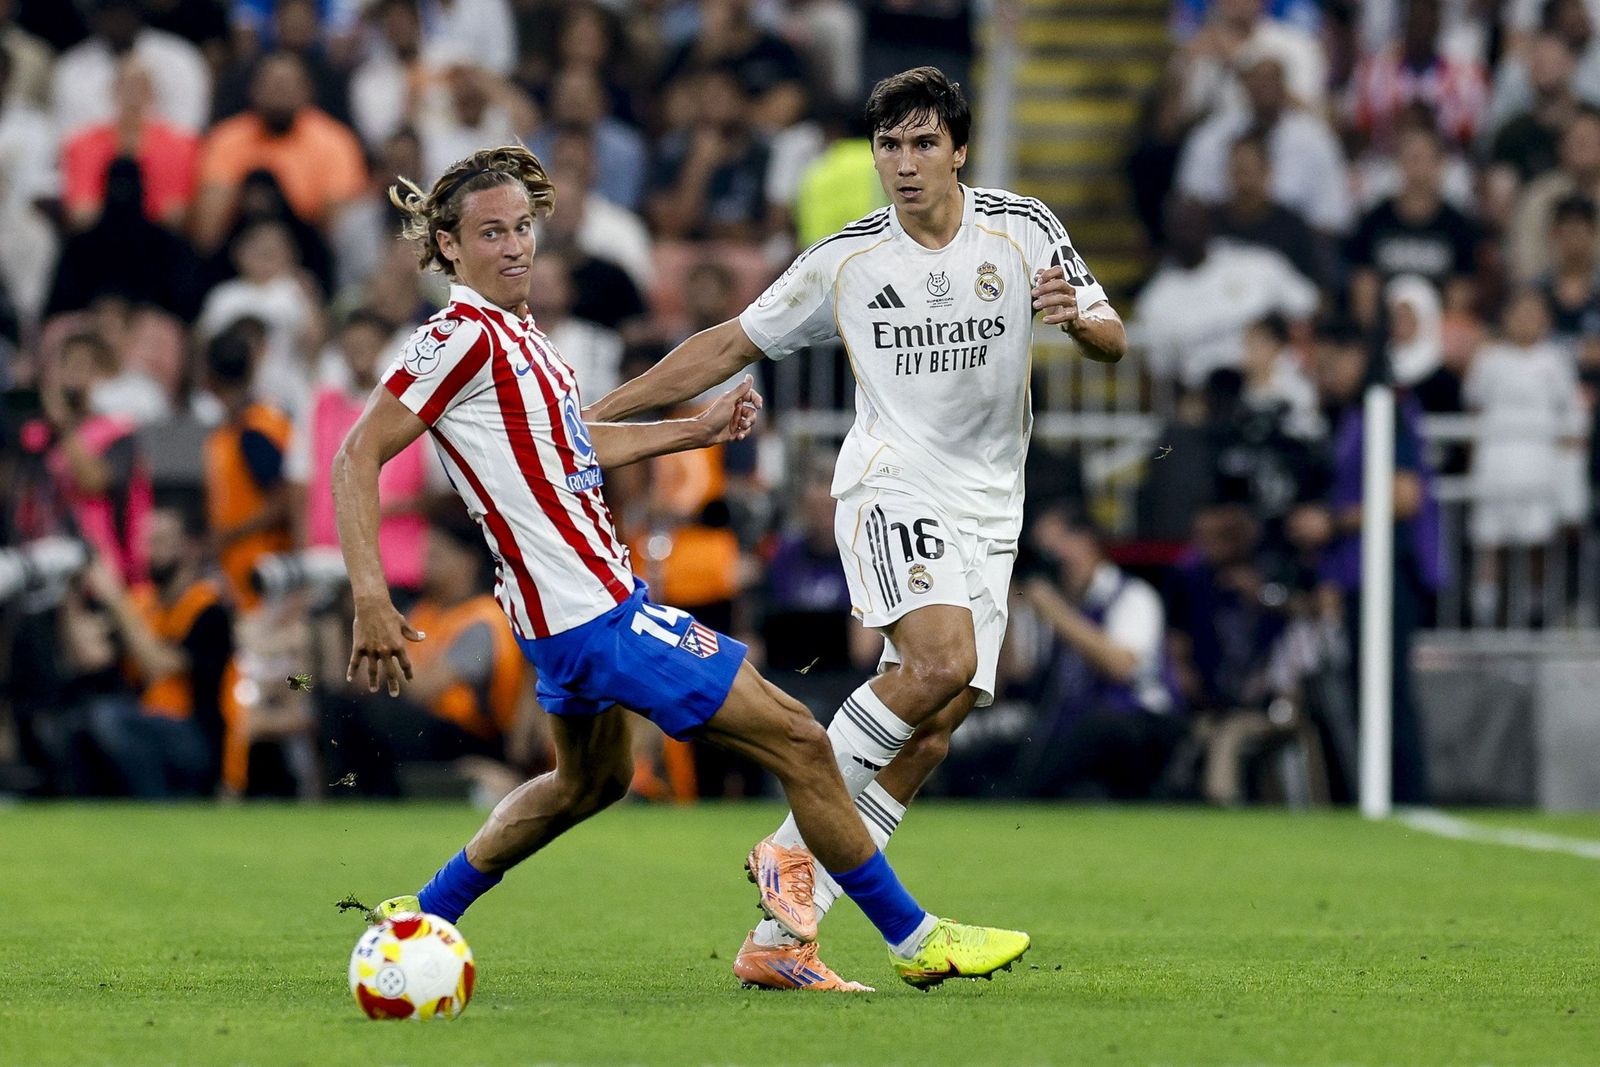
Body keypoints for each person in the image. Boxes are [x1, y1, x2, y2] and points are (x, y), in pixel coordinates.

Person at [332, 144, 1029, 991]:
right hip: (596, 618)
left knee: (587, 782)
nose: (516, 246)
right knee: (803, 740)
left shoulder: (519, 338)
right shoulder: (457, 338)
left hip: (569, 619)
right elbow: (356, 453)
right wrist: (371, 594)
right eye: (490, 233)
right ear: (447, 245)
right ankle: (911, 936)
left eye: (523, 227)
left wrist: (691, 430)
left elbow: (571, 446)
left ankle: (426, 912)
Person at [586, 67, 1108, 989]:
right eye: (888, 146)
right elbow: (726, 343)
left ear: (959, 148)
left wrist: (1078, 320)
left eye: (920, 144)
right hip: (890, 483)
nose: (902, 165)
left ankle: (784, 941)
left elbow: (1110, 333)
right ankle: (789, 851)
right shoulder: (849, 258)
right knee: (936, 667)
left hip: (992, 503)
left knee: (935, 725)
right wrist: (597, 421)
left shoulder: (1021, 228)